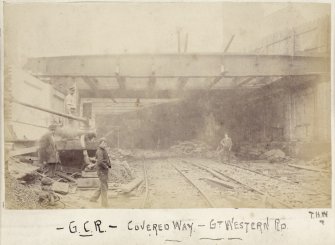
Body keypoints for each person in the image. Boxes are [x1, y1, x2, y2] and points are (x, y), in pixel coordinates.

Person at [90, 137, 111, 207]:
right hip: (102, 171)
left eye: (105, 143)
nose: (105, 144)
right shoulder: (99, 151)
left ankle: (93, 198)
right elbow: (100, 162)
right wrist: (106, 166)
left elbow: (106, 159)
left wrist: (109, 165)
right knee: (104, 187)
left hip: (103, 170)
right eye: (103, 143)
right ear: (100, 144)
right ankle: (105, 204)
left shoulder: (103, 150)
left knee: (102, 185)